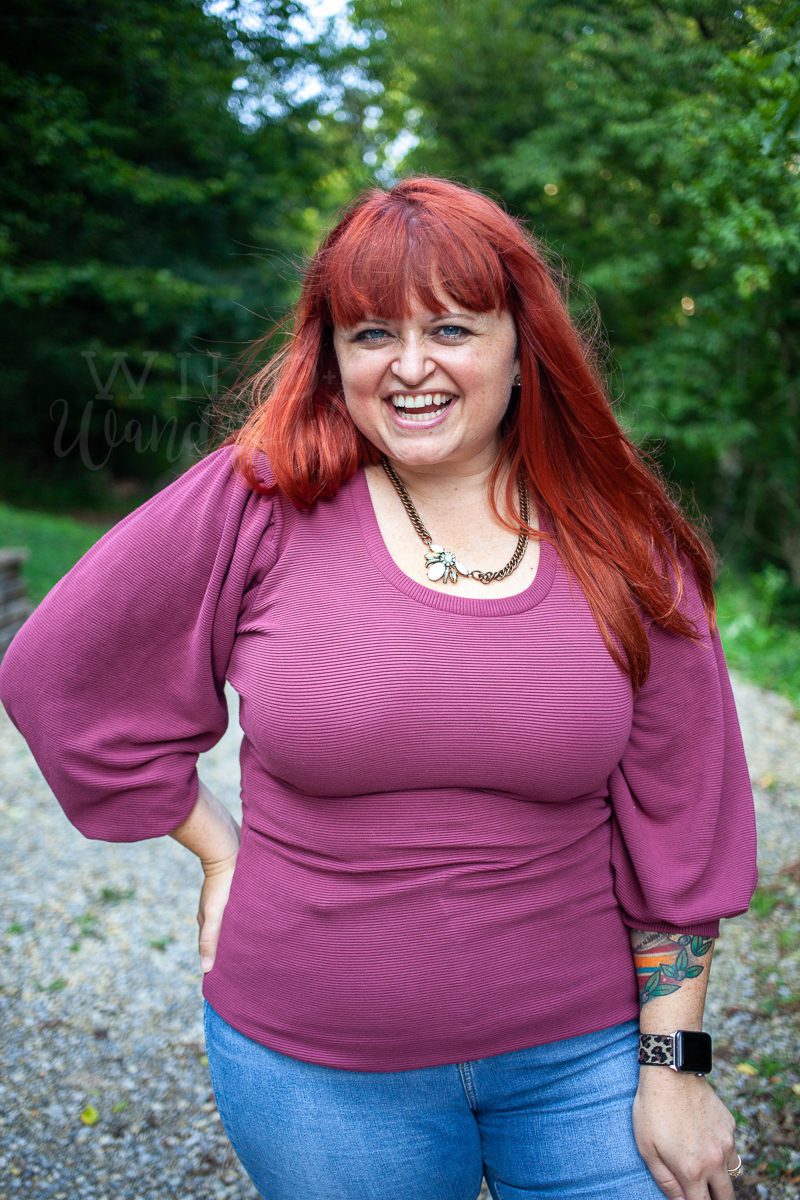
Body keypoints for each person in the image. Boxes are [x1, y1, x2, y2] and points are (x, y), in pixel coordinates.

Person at [0, 175, 757, 1200]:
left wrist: (676, 1070)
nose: (409, 366)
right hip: (318, 1076)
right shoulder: (261, 499)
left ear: (522, 346)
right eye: (370, 334)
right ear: (332, 355)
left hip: (585, 1058)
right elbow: (61, 672)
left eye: (450, 328)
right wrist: (219, 849)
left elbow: (684, 826)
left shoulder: (621, 539)